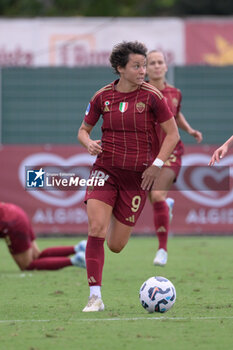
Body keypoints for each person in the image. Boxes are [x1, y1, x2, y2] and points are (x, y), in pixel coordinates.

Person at [77, 41, 180, 312]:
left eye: (144, 65)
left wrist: (157, 164)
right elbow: (83, 131)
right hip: (105, 170)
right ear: (120, 68)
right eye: (136, 66)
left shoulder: (153, 97)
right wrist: (87, 143)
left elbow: (173, 135)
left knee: (116, 245)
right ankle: (95, 297)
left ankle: (111, 210)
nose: (143, 71)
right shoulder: (102, 97)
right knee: (96, 229)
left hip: (137, 178)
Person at [146, 50, 203, 266]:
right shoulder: (141, 93)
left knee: (157, 195)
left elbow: (176, 115)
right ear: (146, 68)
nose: (157, 66)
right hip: (149, 153)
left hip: (172, 152)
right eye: (152, 63)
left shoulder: (175, 93)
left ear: (166, 67)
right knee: (154, 197)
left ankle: (162, 250)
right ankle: (165, 207)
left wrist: (190, 130)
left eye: (160, 62)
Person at [0, 202, 87, 271]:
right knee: (37, 256)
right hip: (15, 211)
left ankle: (75, 260)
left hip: (11, 222)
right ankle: (78, 248)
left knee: (27, 265)